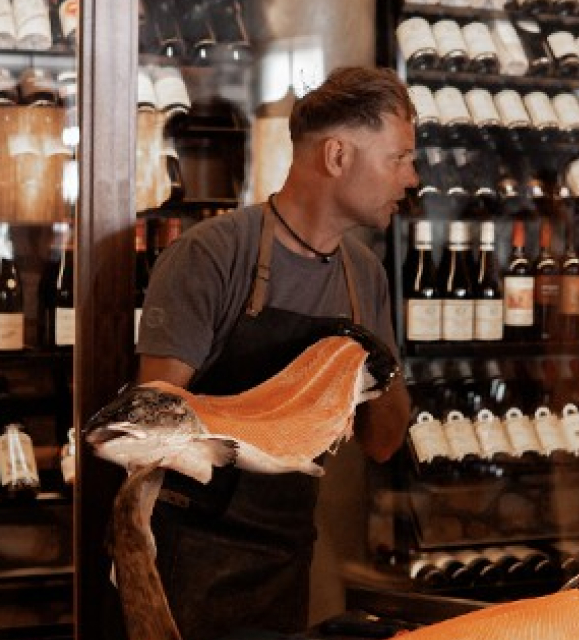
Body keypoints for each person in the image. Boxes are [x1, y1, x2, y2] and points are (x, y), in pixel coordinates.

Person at [131, 66, 416, 640]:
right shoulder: (212, 255)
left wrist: (377, 371)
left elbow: (383, 443)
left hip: (287, 546)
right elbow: (152, 430)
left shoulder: (365, 276)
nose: (411, 178)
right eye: (398, 158)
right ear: (337, 156)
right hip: (192, 550)